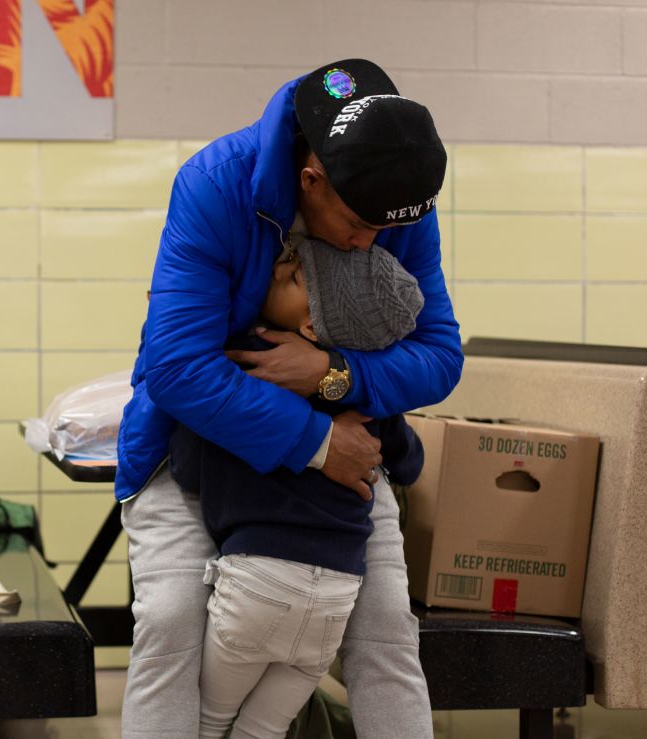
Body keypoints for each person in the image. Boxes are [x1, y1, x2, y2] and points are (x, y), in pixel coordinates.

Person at [116, 58, 462, 739]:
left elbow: (440, 354)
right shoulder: (216, 184)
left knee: (389, 630)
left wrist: (332, 375)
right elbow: (178, 369)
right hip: (197, 445)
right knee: (169, 626)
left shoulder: (394, 206)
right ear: (312, 179)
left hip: (347, 449)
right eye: (359, 224)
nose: (372, 242)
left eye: (387, 229)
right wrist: (318, 442)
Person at [169, 238, 427, 738]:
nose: (275, 269)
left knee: (207, 725)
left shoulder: (242, 359)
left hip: (256, 587)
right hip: (336, 601)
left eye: (290, 276)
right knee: (259, 733)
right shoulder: (362, 388)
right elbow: (409, 461)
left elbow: (188, 468)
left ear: (310, 324)